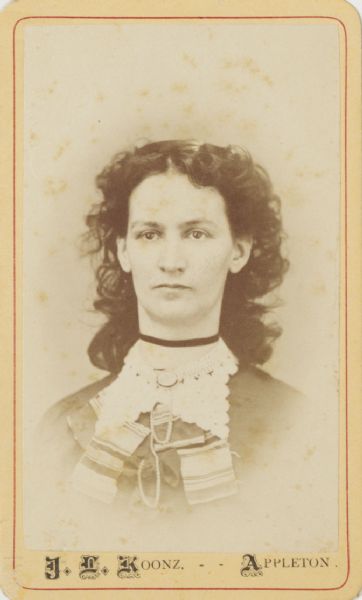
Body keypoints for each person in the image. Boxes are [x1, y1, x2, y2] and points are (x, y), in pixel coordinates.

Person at [29, 140, 320, 552]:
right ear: (124, 251)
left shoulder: (296, 425)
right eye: (149, 234)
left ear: (239, 250)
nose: (171, 260)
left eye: (196, 233)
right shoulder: (60, 428)